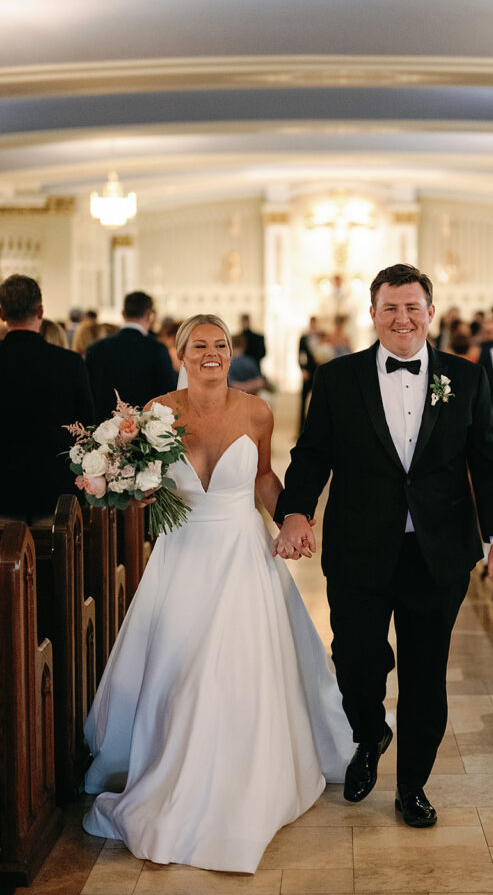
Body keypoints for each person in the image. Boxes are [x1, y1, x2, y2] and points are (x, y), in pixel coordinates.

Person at [82, 314, 353, 872]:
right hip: (181, 558)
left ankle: (237, 779)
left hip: (241, 557)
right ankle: (171, 770)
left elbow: (262, 480)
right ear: (180, 352)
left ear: (233, 351)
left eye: (221, 345)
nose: (213, 353)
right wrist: (123, 485)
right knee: (178, 668)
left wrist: (292, 521)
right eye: (200, 345)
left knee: (229, 668)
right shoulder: (156, 413)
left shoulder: (256, 411)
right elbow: (142, 487)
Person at [273, 264, 493, 828]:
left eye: (413, 307)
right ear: (373, 313)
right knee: (356, 660)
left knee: (426, 674)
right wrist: (295, 512)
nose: (402, 318)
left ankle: (413, 786)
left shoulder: (467, 378)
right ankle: (369, 732)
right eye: (391, 308)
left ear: (430, 313)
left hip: (438, 552)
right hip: (360, 546)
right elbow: (312, 455)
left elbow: (489, 461)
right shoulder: (337, 379)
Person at [0, 274, 95, 522]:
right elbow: (86, 426)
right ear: (41, 311)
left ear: (2, 313)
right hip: (55, 491)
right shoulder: (69, 363)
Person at [86, 291, 177, 420]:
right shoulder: (157, 350)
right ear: (150, 316)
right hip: (145, 432)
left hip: (104, 430)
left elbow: (89, 395)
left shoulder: (97, 349)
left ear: (123, 313)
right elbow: (169, 395)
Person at [298, 314, 321, 433]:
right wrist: (303, 370)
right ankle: (301, 430)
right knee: (303, 401)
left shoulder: (322, 337)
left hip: (319, 372)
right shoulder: (303, 338)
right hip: (307, 372)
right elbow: (301, 355)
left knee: (319, 400)